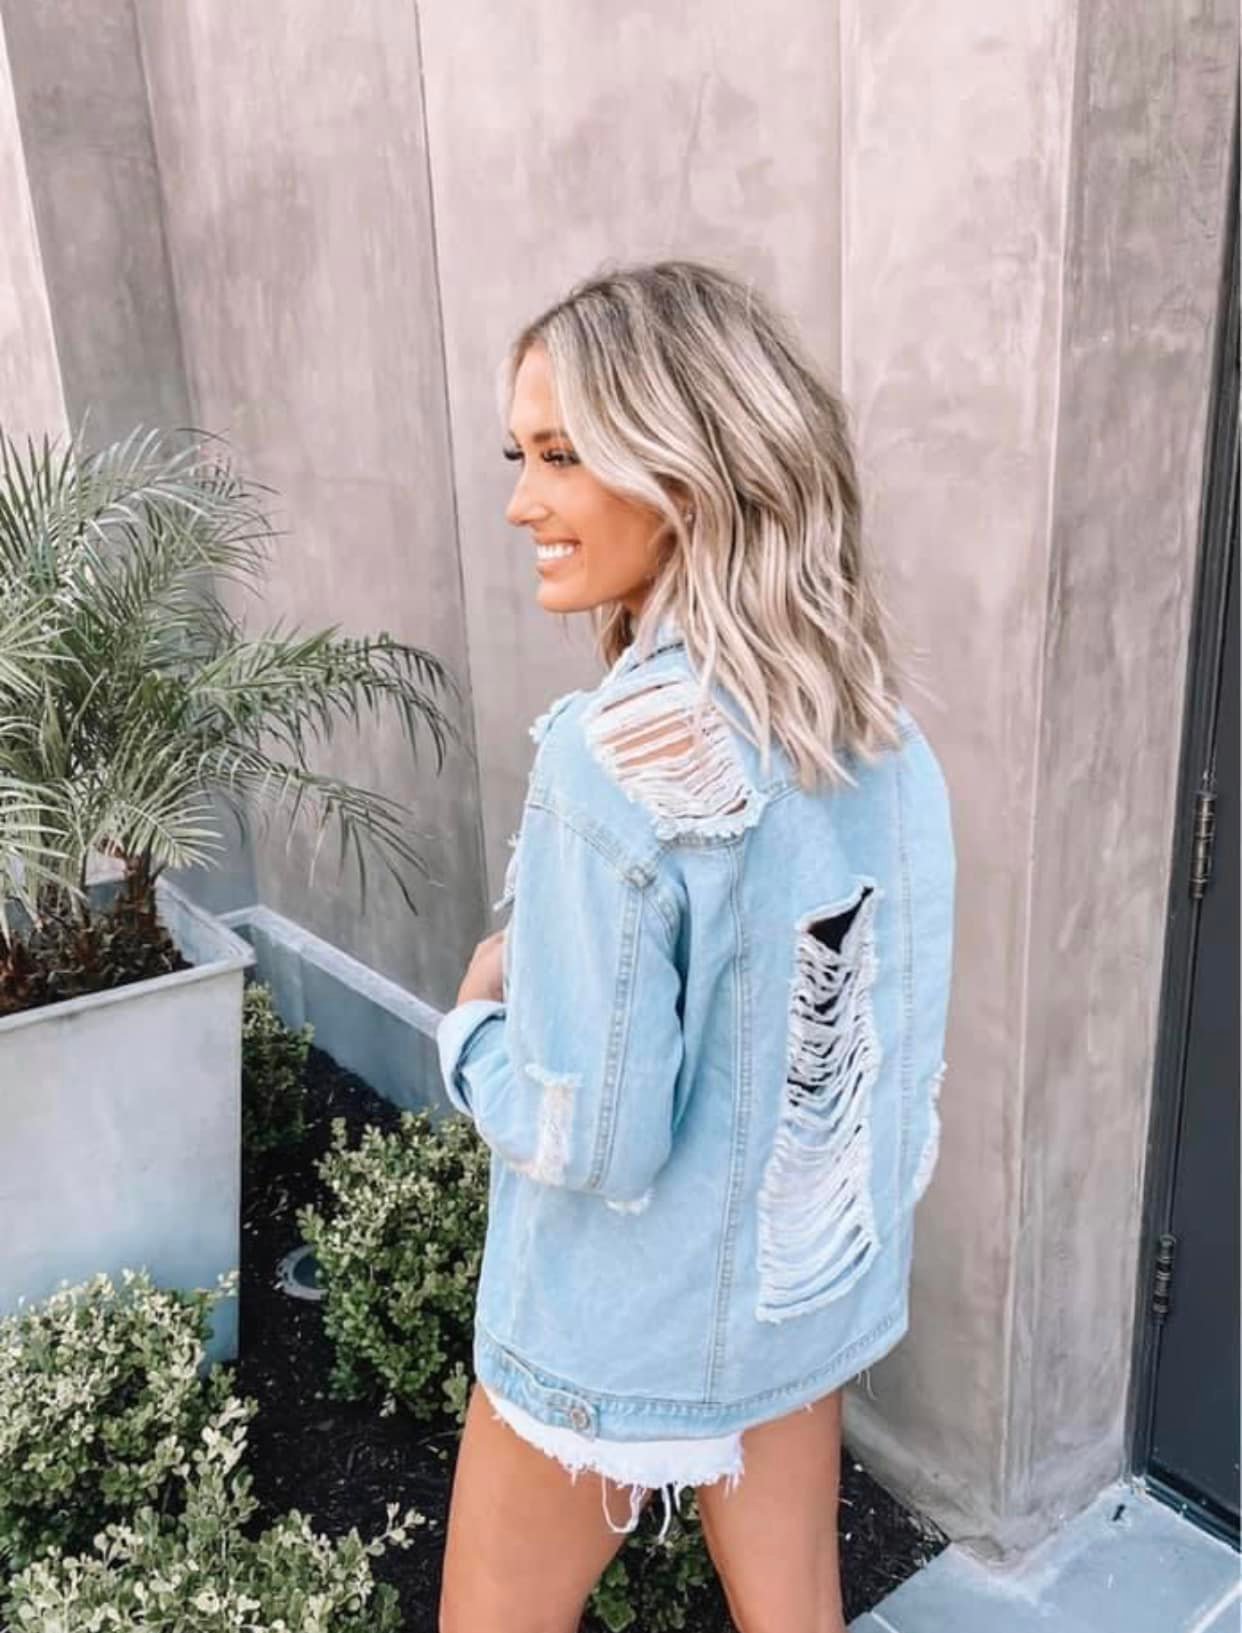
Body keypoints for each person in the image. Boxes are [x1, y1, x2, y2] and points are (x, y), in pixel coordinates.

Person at [435, 259, 955, 1633]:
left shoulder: (609, 761)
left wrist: (473, 1031)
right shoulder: (879, 733)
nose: (521, 501)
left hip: (611, 1328)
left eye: (561, 455)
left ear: (689, 469)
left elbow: (596, 1138)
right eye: (519, 455)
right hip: (795, 1302)